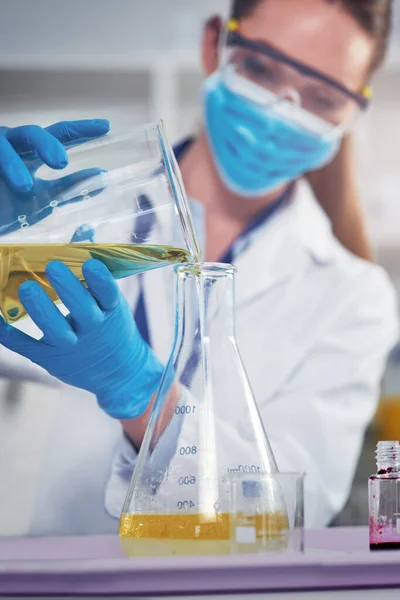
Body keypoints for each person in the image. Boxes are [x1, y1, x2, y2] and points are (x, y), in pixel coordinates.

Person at [0, 0, 398, 535]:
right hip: (37, 575)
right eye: (261, 68)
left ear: (351, 113)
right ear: (215, 45)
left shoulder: (354, 297)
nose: (282, 111)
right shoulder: (56, 208)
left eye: (322, 98)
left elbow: (292, 510)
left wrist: (142, 394)